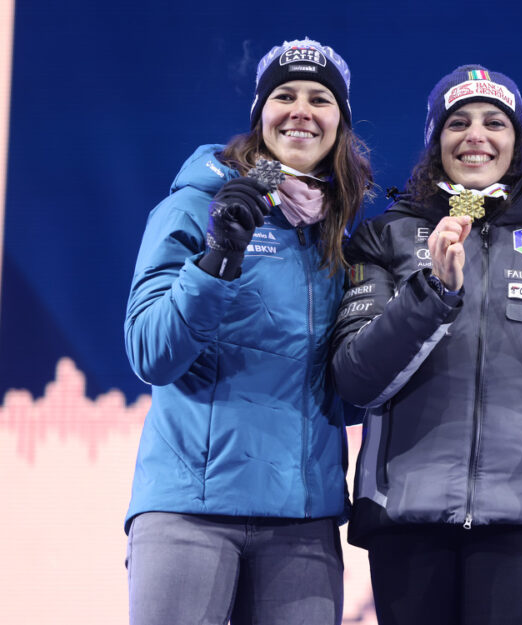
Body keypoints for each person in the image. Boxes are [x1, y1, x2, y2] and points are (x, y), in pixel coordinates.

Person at [331, 65, 522, 625]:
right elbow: (357, 381)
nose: (476, 136)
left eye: (494, 122)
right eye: (458, 123)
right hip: (407, 518)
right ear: (436, 143)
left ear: (517, 143)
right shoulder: (385, 236)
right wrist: (432, 291)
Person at [123, 37, 371, 625]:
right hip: (190, 511)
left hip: (303, 522)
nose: (301, 110)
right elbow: (152, 353)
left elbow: (346, 389)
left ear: (341, 122)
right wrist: (216, 259)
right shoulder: (194, 208)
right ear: (261, 114)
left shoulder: (334, 232)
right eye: (284, 95)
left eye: (320, 98)